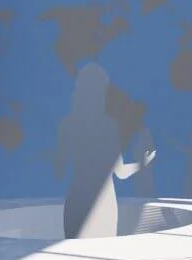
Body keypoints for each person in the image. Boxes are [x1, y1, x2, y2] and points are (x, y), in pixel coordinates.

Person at [53, 63, 157, 238]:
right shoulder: (108, 126)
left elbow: (58, 170)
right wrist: (142, 164)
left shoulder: (68, 125)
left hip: (79, 202)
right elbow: (121, 173)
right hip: (103, 205)